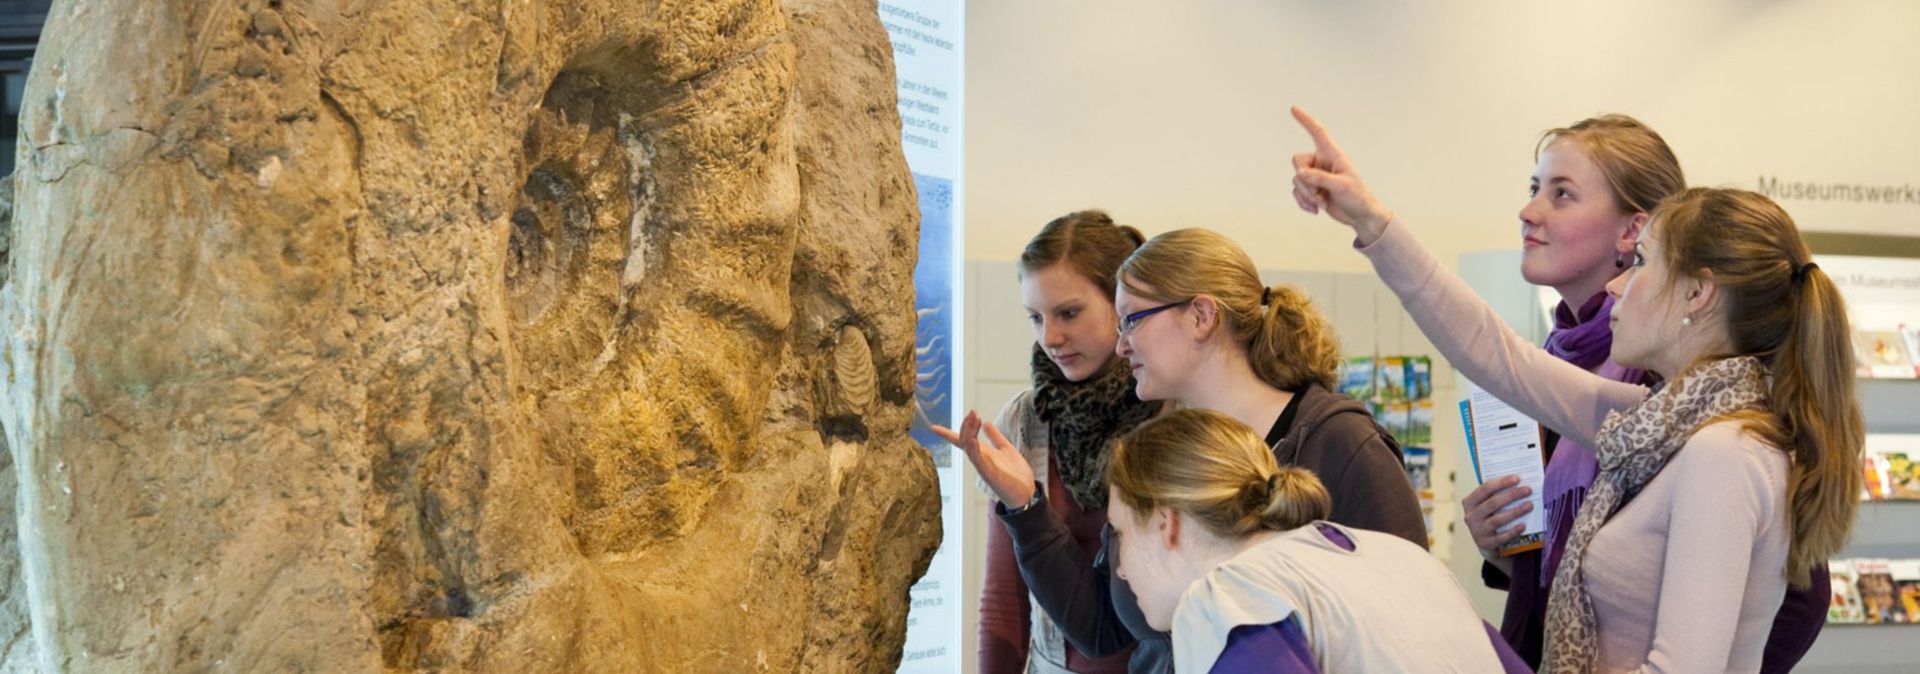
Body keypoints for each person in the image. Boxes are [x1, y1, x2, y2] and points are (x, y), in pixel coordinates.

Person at [1290, 106, 1864, 672]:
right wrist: (1370, 220)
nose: (1620, 284)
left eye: (1641, 264)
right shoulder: (1659, 422)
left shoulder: (1722, 451)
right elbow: (1496, 353)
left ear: (1697, 295)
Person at [943, 227, 1426, 673]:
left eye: (1131, 320)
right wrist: (1026, 503)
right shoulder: (1156, 451)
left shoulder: (1339, 442)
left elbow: (1407, 625)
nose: (1121, 344)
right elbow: (1098, 626)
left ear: (1201, 315)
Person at [1446, 114, 1826, 671]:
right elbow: (1596, 576)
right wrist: (1504, 549)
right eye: (1534, 189)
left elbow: (1795, 593)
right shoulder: (1563, 353)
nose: (1530, 211)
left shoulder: (1667, 386)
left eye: (1562, 194)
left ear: (1634, 231)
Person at [1103, 408, 1517, 673]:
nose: (1119, 566)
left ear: (1164, 522)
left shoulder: (1226, 598)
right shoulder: (1403, 558)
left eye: (1120, 532)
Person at [937, 210, 1158, 674]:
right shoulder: (1023, 420)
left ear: (1120, 305)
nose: (1050, 337)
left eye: (1068, 313)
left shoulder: (1172, 411)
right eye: (1035, 317)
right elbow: (1003, 598)